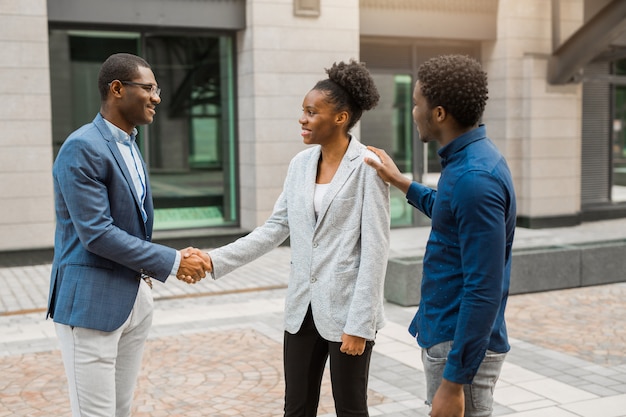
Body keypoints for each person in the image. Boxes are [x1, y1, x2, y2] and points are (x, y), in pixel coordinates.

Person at [203, 60, 390, 416]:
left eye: (310, 112)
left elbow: (376, 250)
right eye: (302, 111)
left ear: (340, 118)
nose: (302, 119)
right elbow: (274, 228)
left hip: (348, 313)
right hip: (301, 310)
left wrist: (360, 324)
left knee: (351, 408)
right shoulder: (300, 165)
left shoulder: (368, 166)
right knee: (297, 407)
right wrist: (215, 259)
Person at [47, 52, 211, 417]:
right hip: (90, 307)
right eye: (149, 88)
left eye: (158, 89)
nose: (157, 97)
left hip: (133, 299)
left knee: (120, 411)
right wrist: (172, 261)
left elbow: (130, 224)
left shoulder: (131, 145)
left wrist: (144, 277)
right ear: (117, 89)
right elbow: (98, 234)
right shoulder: (81, 147)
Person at [364, 54, 516, 417]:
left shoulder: (474, 178)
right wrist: (402, 182)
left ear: (439, 114)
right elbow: (449, 210)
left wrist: (453, 384)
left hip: (459, 347)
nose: (413, 111)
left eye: (417, 103)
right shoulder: (466, 164)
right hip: (449, 336)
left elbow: (484, 289)